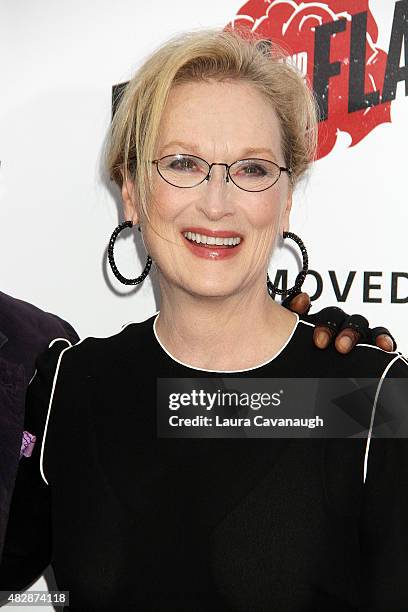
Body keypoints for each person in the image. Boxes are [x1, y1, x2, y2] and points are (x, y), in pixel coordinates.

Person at [1, 27, 407, 611]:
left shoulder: (368, 397)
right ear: (133, 192)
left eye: (252, 169)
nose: (217, 202)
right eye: (184, 163)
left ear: (285, 199)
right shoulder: (69, 387)